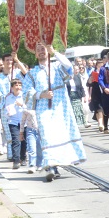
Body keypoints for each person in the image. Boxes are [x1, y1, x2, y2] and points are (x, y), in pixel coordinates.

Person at [26, 43, 86, 182]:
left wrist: (55, 52)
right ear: (35, 54)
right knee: (46, 136)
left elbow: (70, 68)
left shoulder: (57, 67)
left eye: (43, 49)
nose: (41, 51)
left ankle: (58, 164)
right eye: (38, 50)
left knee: (59, 135)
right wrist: (41, 94)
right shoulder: (32, 73)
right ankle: (50, 168)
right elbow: (27, 93)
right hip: (43, 109)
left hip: (60, 107)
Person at [0, 53, 28, 164]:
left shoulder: (17, 73)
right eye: (7, 60)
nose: (9, 62)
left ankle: (22, 154)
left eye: (10, 60)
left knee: (22, 130)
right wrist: (6, 99)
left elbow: (26, 75)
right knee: (9, 132)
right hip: (6, 107)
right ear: (3, 62)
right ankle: (12, 154)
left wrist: (17, 60)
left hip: (20, 106)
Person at [2, 79, 27, 170]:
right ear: (12, 87)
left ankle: (23, 157)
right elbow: (5, 109)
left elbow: (28, 107)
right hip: (13, 121)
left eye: (19, 85)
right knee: (16, 140)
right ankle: (16, 160)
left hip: (24, 121)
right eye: (15, 85)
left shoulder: (24, 96)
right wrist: (8, 113)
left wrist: (22, 105)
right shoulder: (8, 97)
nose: (18, 87)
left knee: (24, 141)